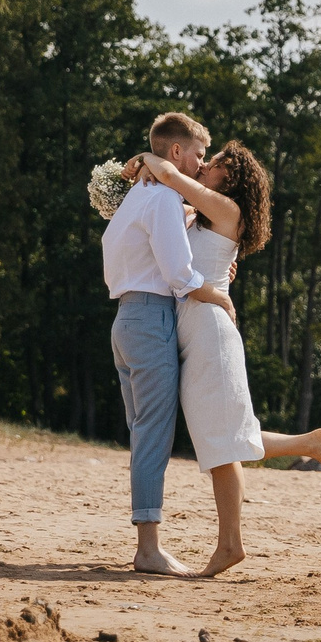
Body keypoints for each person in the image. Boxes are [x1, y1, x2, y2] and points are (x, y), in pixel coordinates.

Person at [127, 139, 321, 577]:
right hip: (193, 330)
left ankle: (230, 545)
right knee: (219, 436)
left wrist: (143, 161)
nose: (205, 166)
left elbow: (170, 175)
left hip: (209, 331)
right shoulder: (201, 215)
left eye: (215, 164)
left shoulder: (229, 211)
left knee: (221, 445)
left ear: (231, 177)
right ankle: (310, 442)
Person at [100, 110, 230, 577]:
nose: (200, 165)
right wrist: (217, 293)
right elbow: (178, 276)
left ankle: (146, 542)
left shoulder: (139, 198)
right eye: (197, 155)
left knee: (143, 433)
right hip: (152, 321)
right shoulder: (162, 202)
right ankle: (148, 549)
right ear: (175, 152)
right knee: (154, 434)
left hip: (125, 320)